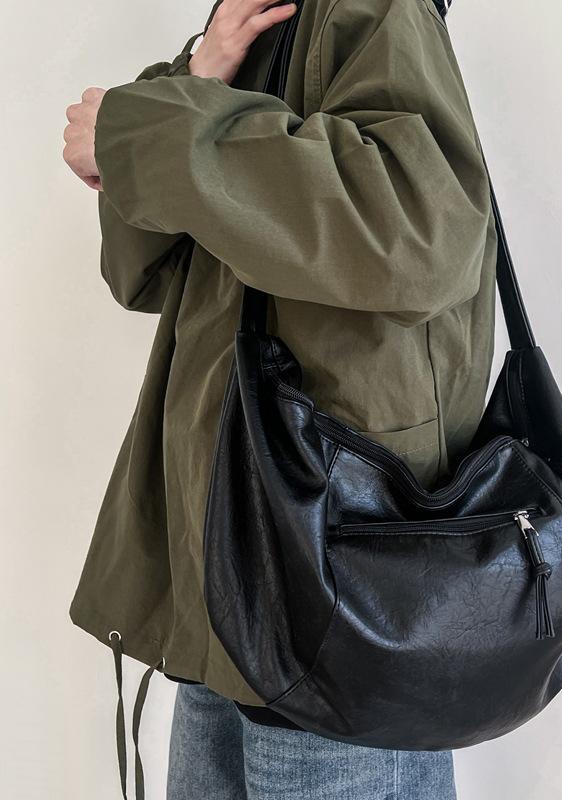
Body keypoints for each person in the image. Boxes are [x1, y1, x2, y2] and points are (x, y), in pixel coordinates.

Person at [62, 0, 497, 796]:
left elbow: (419, 235)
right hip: (227, 575)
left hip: (334, 586)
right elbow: (146, 275)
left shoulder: (374, 8)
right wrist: (196, 82)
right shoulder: (259, 23)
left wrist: (148, 131)